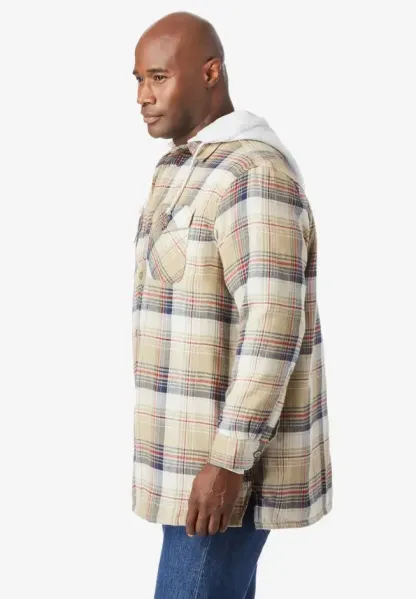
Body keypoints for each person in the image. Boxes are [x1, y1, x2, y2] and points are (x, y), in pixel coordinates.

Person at [131, 11, 332, 599]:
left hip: (221, 476)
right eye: (138, 80)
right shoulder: (186, 170)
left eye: (158, 77)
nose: (143, 96)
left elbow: (274, 327)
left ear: (210, 72)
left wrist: (228, 461)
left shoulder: (253, 174)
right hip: (187, 466)